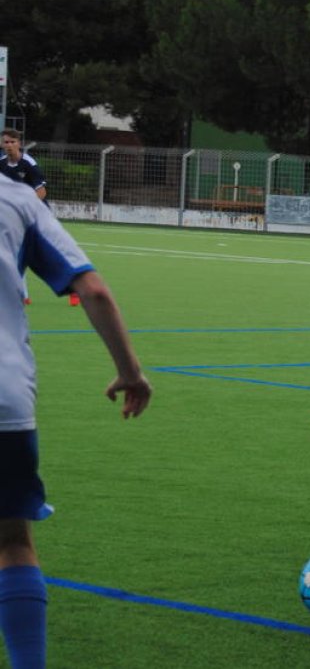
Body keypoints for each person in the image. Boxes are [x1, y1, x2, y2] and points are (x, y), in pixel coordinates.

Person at [0, 175, 153, 669]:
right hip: (5, 397)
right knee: (12, 540)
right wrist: (130, 372)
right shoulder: (17, 199)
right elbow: (93, 290)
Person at [0, 130, 51, 306]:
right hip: (15, 217)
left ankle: (74, 290)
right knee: (13, 253)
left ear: (19, 144)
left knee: (46, 255)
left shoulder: (28, 163)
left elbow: (41, 192)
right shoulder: (1, 164)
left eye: (12, 142)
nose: (9, 145)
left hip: (37, 213)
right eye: (5, 142)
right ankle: (22, 294)